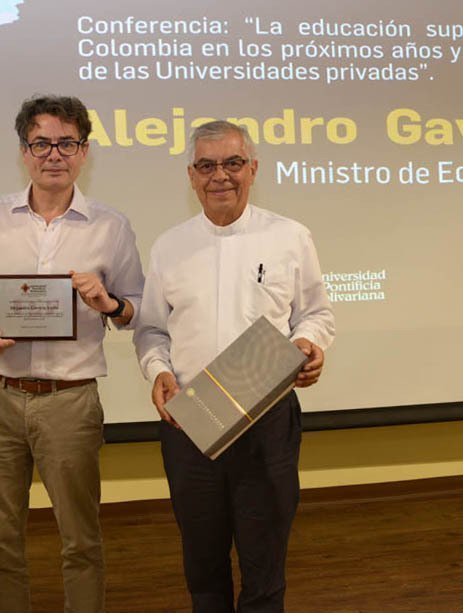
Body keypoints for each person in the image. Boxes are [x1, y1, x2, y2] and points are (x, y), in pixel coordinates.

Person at [0, 95, 144, 612]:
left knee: (81, 540)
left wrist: (109, 302)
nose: (53, 154)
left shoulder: (111, 226)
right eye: (41, 143)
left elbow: (137, 308)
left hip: (70, 401)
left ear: (84, 152)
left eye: (66, 143)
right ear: (24, 151)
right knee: (0, 540)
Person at [133, 120, 335, 613]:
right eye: (206, 165)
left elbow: (315, 314)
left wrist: (308, 344)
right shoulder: (169, 246)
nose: (219, 175)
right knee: (203, 567)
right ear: (191, 175)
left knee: (264, 567)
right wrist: (158, 370)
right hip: (190, 422)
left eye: (232, 163)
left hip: (267, 422)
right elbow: (151, 330)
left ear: (253, 168)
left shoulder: (289, 236)